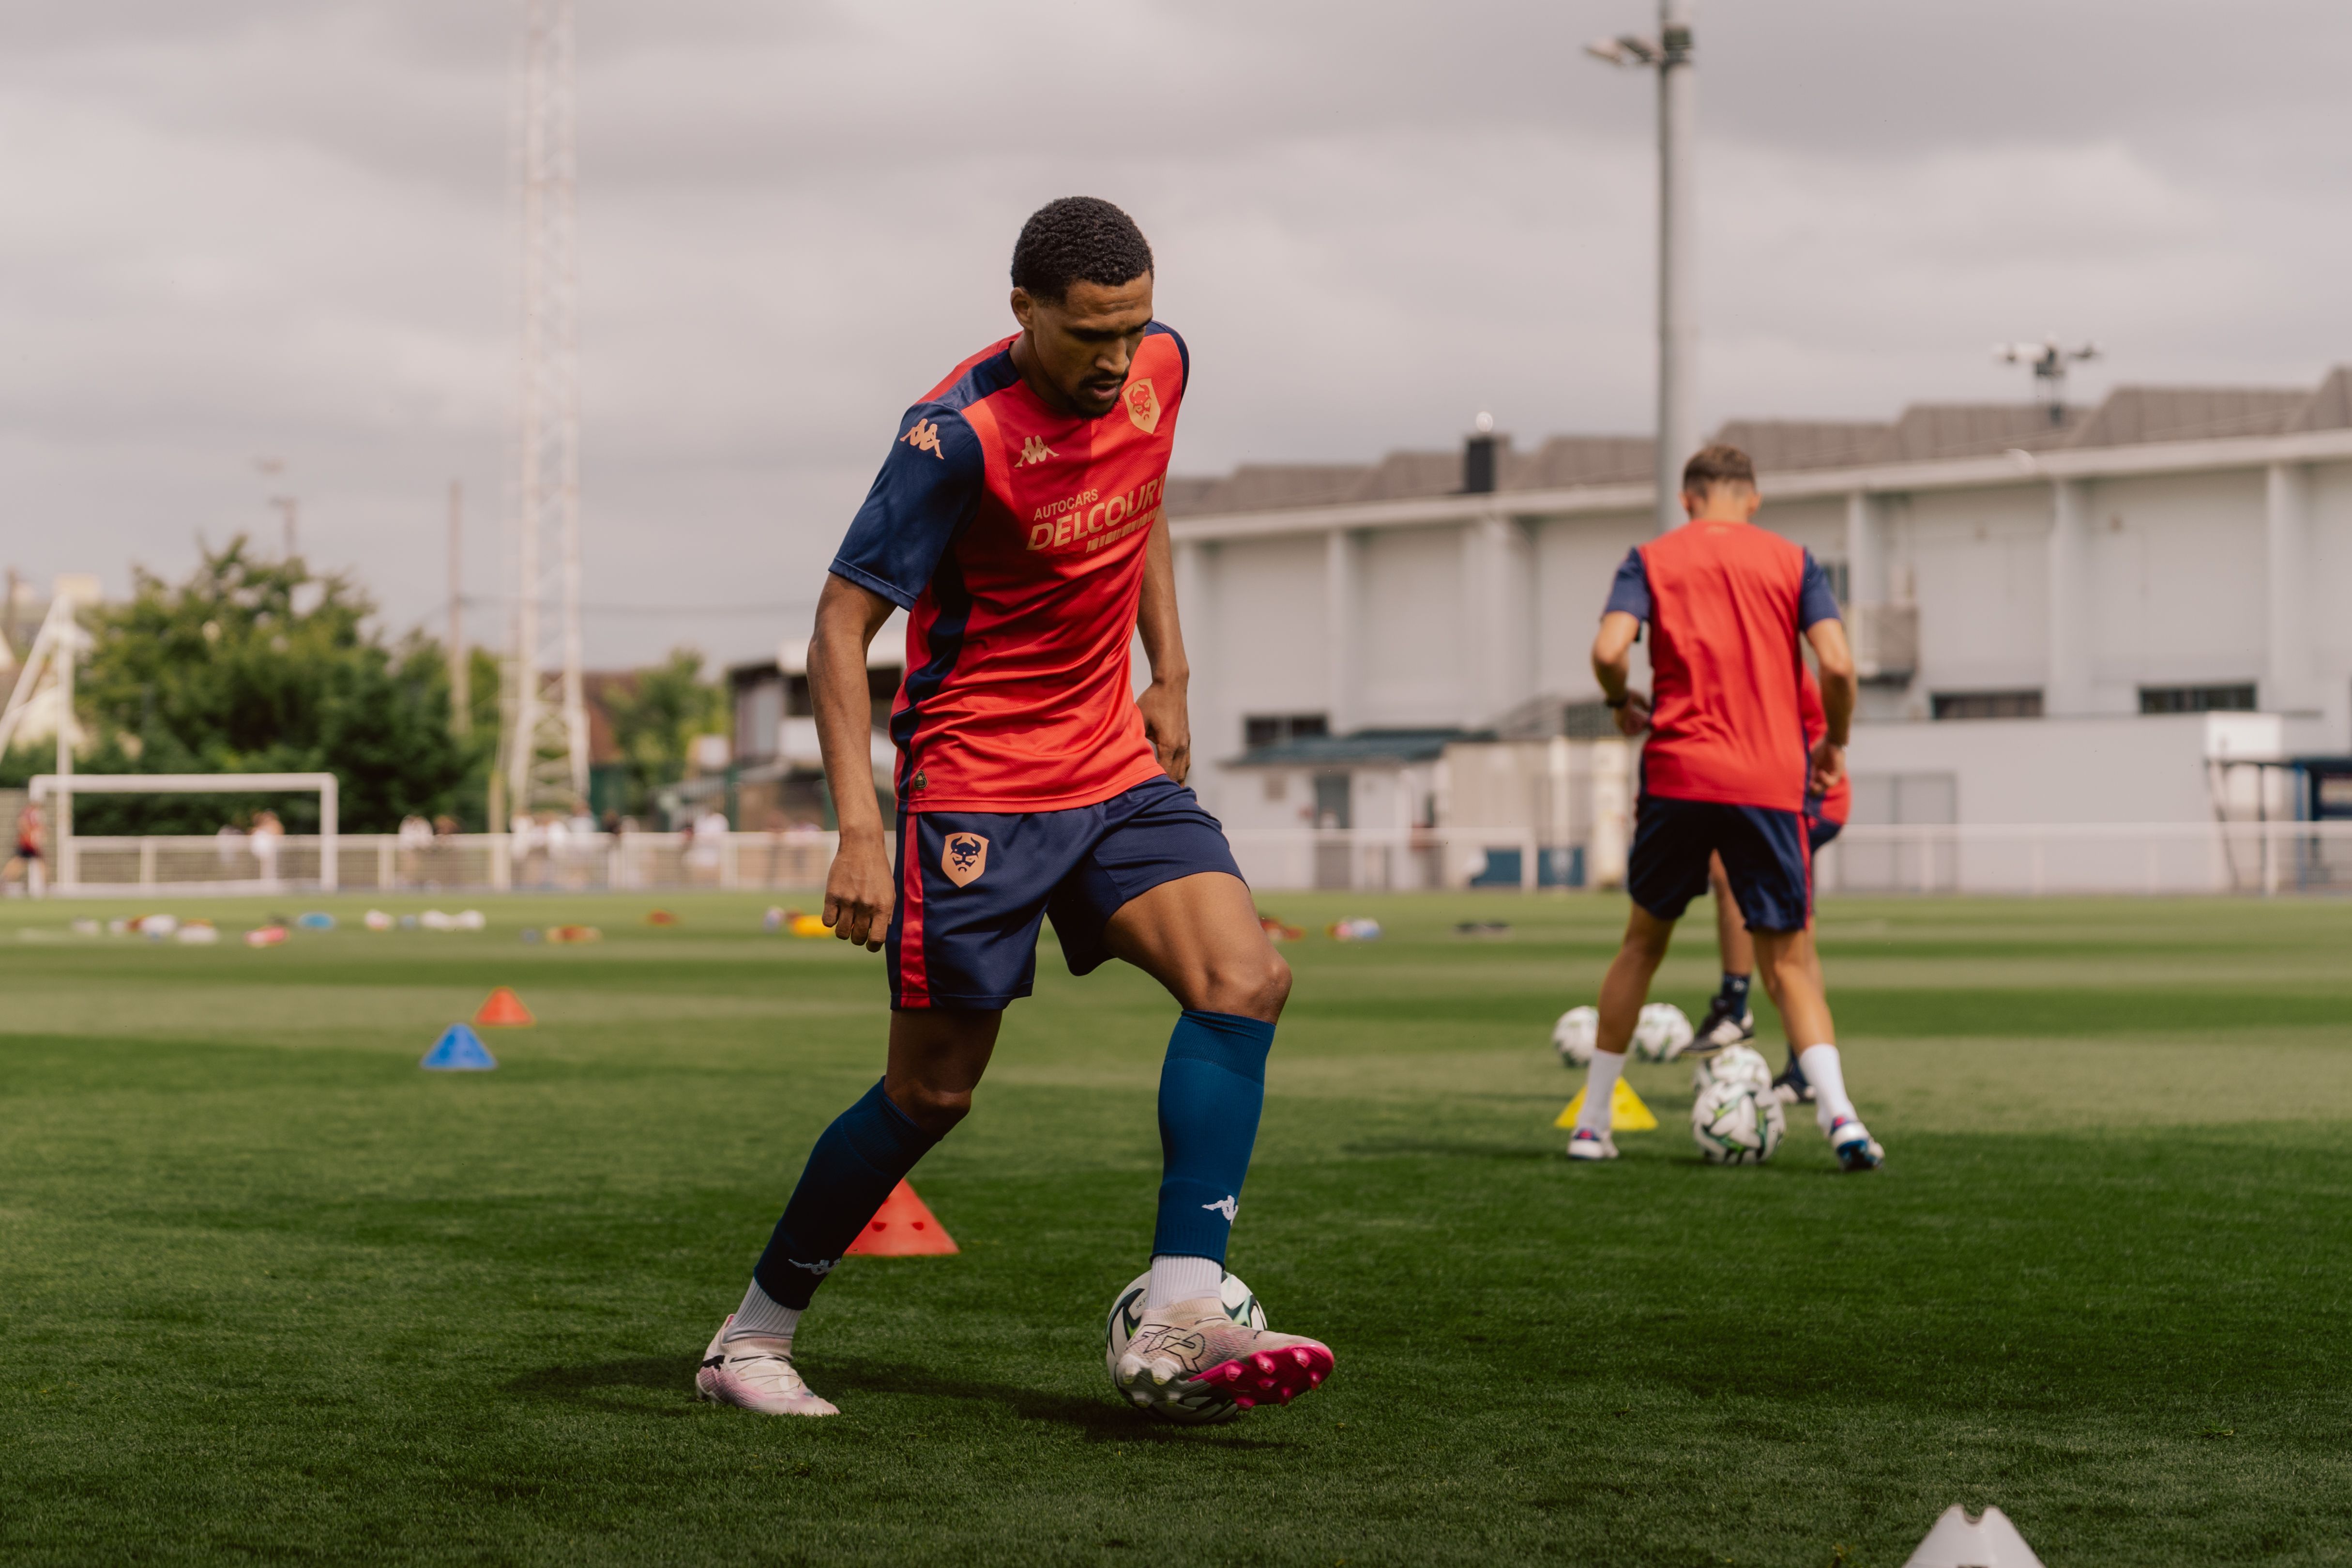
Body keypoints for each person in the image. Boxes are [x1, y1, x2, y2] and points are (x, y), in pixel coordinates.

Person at [696, 197, 1334, 1420]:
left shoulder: (1161, 365)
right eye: (1090, 333)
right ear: (1023, 310)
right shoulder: (953, 438)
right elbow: (838, 630)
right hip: (978, 787)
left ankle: (1181, 1302)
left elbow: (1143, 500)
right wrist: (861, 832)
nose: (1115, 359)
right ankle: (752, 1335)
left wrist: (1172, 673)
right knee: (932, 1094)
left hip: (1112, 766)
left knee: (1244, 976)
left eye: (1132, 327)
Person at [1570, 443, 1883, 1172]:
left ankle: (1590, 1123)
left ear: (1686, 499)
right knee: (1791, 962)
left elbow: (1610, 648)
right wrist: (1833, 741)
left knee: (1641, 944)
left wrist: (1619, 702)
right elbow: (1836, 663)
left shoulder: (1649, 558)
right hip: (1769, 784)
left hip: (1677, 774)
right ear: (1752, 497)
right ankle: (1841, 1119)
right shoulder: (1793, 561)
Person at [1693, 665, 1852, 1101]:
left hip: (1805, 797)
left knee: (1780, 944)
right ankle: (1803, 1069)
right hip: (1787, 795)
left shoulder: (1765, 656)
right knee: (1797, 943)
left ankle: (1735, 1006)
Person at [7, 800, 44, 897]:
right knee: (21, 863)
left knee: (19, 863)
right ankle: (45, 886)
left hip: (28, 843)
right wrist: (29, 834)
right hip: (28, 844)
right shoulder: (30, 813)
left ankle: (5, 881)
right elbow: (22, 824)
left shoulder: (30, 813)